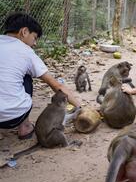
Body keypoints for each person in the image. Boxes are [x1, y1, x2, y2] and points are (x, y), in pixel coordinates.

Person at [0, 12, 81, 140]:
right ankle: (24, 127)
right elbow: (56, 85)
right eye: (35, 37)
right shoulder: (26, 51)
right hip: (13, 118)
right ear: (24, 32)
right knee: (26, 77)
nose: (35, 43)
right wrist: (80, 107)